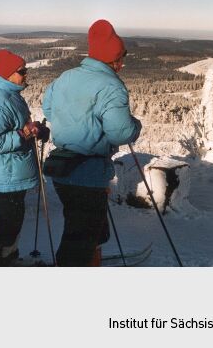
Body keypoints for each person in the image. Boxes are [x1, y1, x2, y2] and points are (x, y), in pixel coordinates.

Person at [42, 19, 141, 266]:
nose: (122, 65)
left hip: (62, 169)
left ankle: (90, 260)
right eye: (120, 59)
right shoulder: (112, 86)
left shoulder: (65, 77)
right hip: (88, 173)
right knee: (80, 239)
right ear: (114, 59)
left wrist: (74, 126)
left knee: (83, 229)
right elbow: (120, 133)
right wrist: (135, 126)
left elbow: (49, 109)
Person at [0, 49, 49, 267]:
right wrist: (24, 134)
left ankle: (9, 260)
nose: (26, 74)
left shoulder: (12, 97)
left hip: (13, 172)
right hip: (7, 175)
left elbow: (18, 129)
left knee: (13, 221)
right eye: (22, 71)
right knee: (7, 225)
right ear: (9, 74)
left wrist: (34, 130)